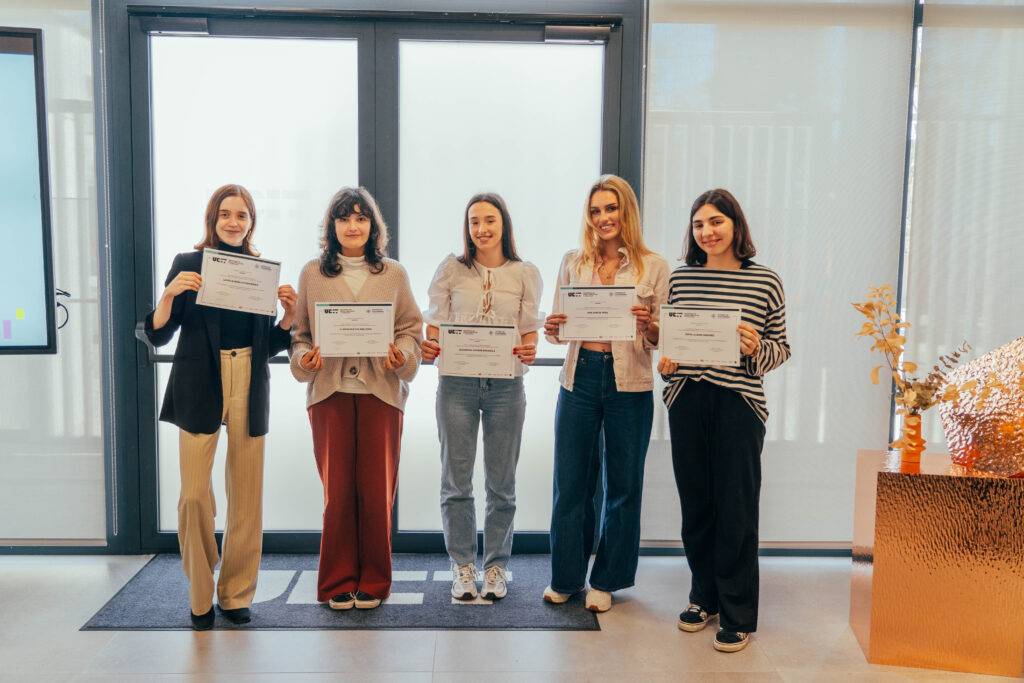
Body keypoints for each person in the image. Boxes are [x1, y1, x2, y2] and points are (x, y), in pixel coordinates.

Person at [143, 183, 297, 630]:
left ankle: (235, 595)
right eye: (226, 214)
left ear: (251, 223)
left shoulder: (258, 271)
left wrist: (286, 318)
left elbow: (266, 344)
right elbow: (157, 334)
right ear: (212, 219)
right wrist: (170, 294)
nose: (234, 222)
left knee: (246, 498)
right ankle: (199, 594)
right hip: (199, 381)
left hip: (249, 378)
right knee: (193, 496)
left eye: (242, 215)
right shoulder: (188, 265)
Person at [659, 188, 791, 652]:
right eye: (698, 225)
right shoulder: (680, 280)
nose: (707, 232)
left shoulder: (765, 280)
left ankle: (738, 613)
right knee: (696, 506)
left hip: (739, 402)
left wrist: (758, 348)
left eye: (716, 221)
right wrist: (667, 363)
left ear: (735, 224)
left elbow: (782, 348)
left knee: (736, 507)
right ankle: (703, 596)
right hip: (687, 398)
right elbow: (670, 341)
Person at [290, 186, 422, 611]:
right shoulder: (312, 273)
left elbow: (410, 330)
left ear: (373, 226)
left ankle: (376, 582)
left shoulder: (394, 274)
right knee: (338, 493)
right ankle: (336, 582)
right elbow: (300, 336)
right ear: (332, 225)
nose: (353, 225)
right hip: (329, 392)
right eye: (344, 218)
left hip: (380, 392)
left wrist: (401, 355)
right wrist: (304, 360)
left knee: (377, 490)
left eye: (361, 218)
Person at [542, 174, 669, 613]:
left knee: (623, 484)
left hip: (629, 381)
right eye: (595, 211)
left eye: (611, 209)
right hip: (579, 379)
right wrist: (552, 329)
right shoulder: (572, 262)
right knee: (571, 482)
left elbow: (661, 339)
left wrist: (647, 324)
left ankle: (607, 579)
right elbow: (558, 334)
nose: (603, 218)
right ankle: (566, 576)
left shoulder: (653, 266)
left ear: (626, 211)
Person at [421, 193, 543, 601]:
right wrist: (431, 344)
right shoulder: (451, 269)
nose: (482, 229)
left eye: (490, 220)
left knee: (501, 483)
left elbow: (529, 328)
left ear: (504, 224)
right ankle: (462, 565)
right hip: (456, 383)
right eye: (474, 221)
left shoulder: (524, 272)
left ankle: (495, 567)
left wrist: (530, 348)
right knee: (456, 481)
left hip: (507, 386)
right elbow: (435, 320)